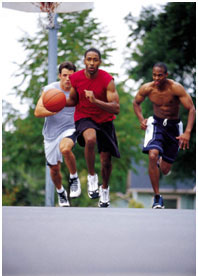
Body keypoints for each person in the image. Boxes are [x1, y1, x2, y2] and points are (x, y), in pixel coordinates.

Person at [133, 62, 195, 209]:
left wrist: (187, 132)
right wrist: (141, 119)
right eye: (154, 75)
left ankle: (162, 160)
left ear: (166, 75)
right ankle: (157, 197)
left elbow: (192, 109)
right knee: (152, 155)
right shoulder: (147, 88)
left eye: (160, 75)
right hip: (157, 124)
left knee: (165, 169)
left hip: (174, 127)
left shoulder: (175, 88)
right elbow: (136, 103)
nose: (156, 78)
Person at [66, 48, 120, 207]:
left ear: (99, 62)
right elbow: (73, 101)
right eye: (88, 59)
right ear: (84, 61)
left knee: (106, 161)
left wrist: (95, 101)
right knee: (90, 139)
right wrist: (52, 103)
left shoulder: (107, 80)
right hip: (84, 117)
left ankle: (104, 189)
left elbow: (116, 108)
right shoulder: (75, 78)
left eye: (95, 60)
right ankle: (91, 177)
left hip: (105, 120)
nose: (91, 63)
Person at [34, 61, 81, 207]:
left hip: (70, 128)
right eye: (65, 75)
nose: (68, 79)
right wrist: (55, 108)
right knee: (54, 170)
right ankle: (61, 192)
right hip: (51, 133)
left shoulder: (78, 91)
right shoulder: (50, 90)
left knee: (65, 148)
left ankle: (74, 178)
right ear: (60, 75)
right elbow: (38, 112)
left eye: (71, 76)